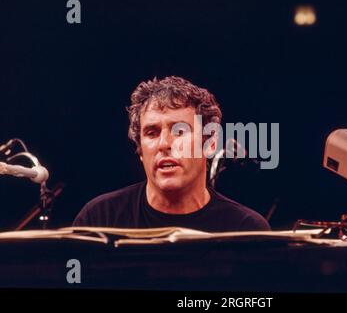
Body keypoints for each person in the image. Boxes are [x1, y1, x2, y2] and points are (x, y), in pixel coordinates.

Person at [73, 76, 270, 232]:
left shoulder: (245, 230)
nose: (164, 144)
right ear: (140, 149)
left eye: (180, 131)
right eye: (152, 132)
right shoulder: (99, 220)